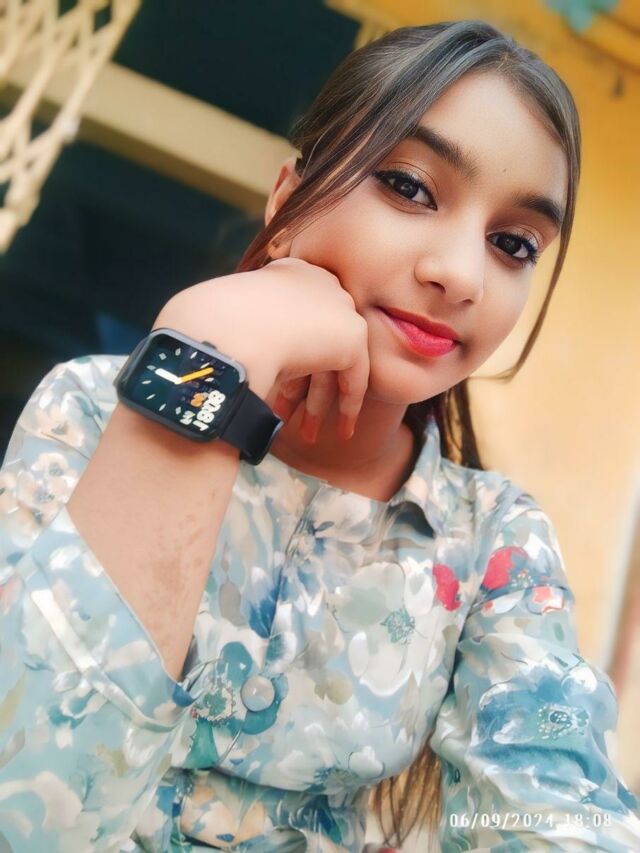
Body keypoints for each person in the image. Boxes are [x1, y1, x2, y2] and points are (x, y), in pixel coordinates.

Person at [0, 18, 639, 853]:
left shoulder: (494, 545)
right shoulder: (89, 411)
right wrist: (212, 345)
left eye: (513, 243)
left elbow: (555, 816)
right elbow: (26, 801)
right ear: (286, 201)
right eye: (410, 187)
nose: (462, 274)